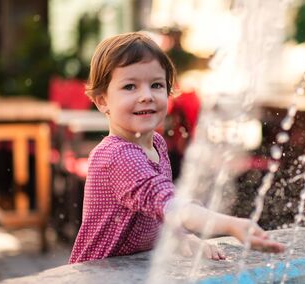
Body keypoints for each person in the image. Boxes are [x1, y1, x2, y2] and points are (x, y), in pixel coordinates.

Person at [69, 31, 284, 264]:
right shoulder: (117, 155)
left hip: (129, 271)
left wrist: (183, 239)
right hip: (95, 275)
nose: (146, 96)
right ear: (102, 100)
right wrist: (231, 224)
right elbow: (172, 205)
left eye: (156, 85)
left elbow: (158, 210)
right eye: (130, 86)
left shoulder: (157, 145)